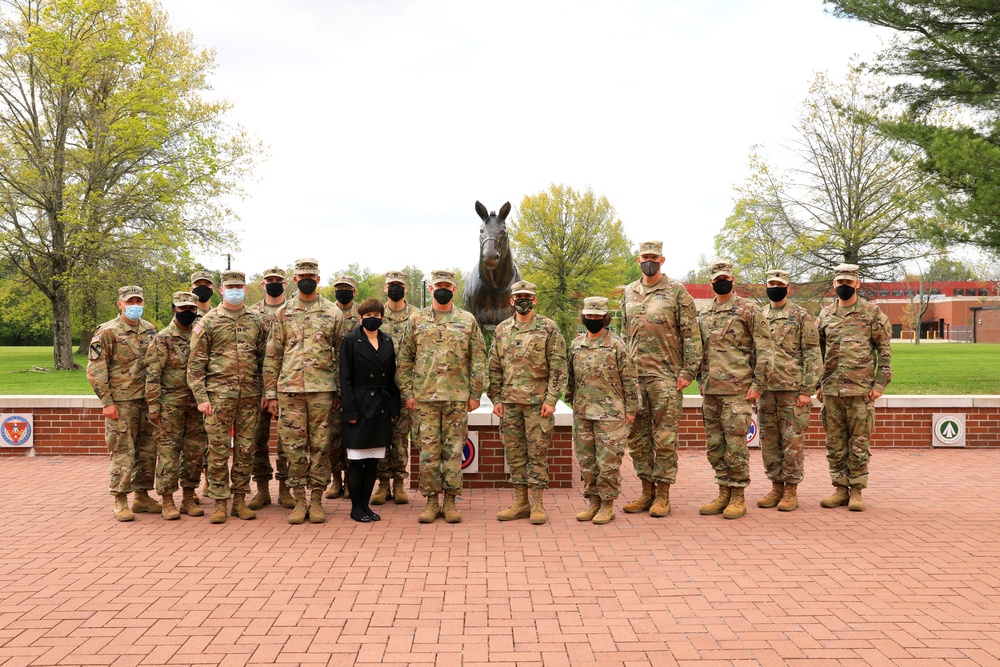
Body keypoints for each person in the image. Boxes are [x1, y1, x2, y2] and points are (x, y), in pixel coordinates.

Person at [397, 269, 487, 524]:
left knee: (453, 451)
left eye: (447, 285)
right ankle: (431, 501)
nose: (443, 289)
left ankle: (449, 501)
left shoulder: (467, 320)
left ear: (454, 289)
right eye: (438, 285)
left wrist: (475, 393)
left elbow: (478, 358)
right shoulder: (416, 320)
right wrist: (408, 393)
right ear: (431, 289)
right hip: (424, 398)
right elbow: (405, 359)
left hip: (456, 398)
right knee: (428, 452)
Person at [621, 240, 702, 518]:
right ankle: (646, 491)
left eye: (654, 257)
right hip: (634, 379)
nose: (649, 261)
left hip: (665, 377)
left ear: (662, 260)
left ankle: (663, 495)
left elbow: (691, 334)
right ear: (637, 259)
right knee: (637, 438)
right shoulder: (629, 292)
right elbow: (624, 333)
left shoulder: (677, 292)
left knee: (664, 438)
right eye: (645, 256)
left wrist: (687, 372)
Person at [263, 258, 346, 524]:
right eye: (302, 275)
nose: (307, 279)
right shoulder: (283, 312)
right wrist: (271, 394)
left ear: (319, 279)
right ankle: (299, 499)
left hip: (323, 391)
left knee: (321, 447)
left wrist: (340, 392)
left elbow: (342, 355)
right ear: (295, 279)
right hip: (289, 391)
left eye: (311, 275)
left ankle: (317, 501)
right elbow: (273, 355)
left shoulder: (333, 313)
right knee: (293, 447)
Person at [187, 270, 268, 524]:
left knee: (246, 450)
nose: (235, 290)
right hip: (218, 398)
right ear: (221, 290)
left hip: (249, 397)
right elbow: (195, 365)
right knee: (219, 451)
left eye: (239, 286)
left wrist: (266, 393)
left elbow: (265, 360)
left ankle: (240, 500)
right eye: (230, 286)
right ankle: (220, 502)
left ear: (245, 289)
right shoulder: (208, 321)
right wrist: (201, 397)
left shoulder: (257, 320)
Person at [696, 259, 773, 520]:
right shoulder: (704, 314)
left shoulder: (748, 309)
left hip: (738, 391)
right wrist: (699, 381)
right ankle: (723, 492)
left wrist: (758, 384)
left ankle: (738, 495)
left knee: (736, 445)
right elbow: (699, 352)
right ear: (711, 283)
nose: (721, 282)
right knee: (715, 446)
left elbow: (765, 349)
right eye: (716, 279)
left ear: (733, 280)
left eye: (725, 278)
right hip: (711, 391)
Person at [488, 280, 567, 524]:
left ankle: (538, 504)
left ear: (535, 300)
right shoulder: (502, 330)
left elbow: (559, 366)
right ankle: (521, 502)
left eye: (527, 297)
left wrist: (552, 399)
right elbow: (494, 367)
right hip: (510, 404)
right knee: (515, 454)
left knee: (538, 453)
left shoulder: (548, 328)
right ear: (511, 301)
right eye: (518, 297)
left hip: (538, 404)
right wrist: (496, 398)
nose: (523, 301)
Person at [816, 263, 892, 512]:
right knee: (835, 443)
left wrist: (880, 383)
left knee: (859, 443)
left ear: (857, 284)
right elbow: (818, 352)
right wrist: (817, 384)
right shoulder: (825, 315)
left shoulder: (872, 313)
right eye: (841, 283)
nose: (845, 286)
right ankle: (840, 488)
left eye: (849, 282)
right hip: (832, 390)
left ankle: (857, 490)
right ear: (834, 285)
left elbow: (884, 351)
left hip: (860, 390)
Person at [87, 285, 159, 521]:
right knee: (122, 451)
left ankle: (142, 496)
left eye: (138, 301)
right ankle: (120, 499)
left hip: (147, 401)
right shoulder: (107, 332)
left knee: (147, 451)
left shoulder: (150, 330)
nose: (135, 305)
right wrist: (107, 401)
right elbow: (96, 370)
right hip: (121, 401)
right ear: (120, 304)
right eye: (130, 302)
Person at [566, 297, 639, 525]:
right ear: (583, 317)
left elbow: (630, 379)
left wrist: (631, 409)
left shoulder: (617, 346)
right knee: (587, 461)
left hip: (611, 414)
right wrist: (571, 401)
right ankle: (593, 502)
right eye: (589, 316)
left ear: (605, 318)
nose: (593, 320)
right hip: (583, 412)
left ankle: (608, 505)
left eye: (598, 316)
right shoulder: (576, 345)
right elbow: (571, 378)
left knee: (607, 462)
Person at [756, 269, 822, 512]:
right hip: (766, 390)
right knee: (769, 441)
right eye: (771, 283)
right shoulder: (759, 314)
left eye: (779, 283)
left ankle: (791, 490)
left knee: (792, 441)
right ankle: (776, 487)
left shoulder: (800, 316)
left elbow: (813, 354)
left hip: (793, 391)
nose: (775, 287)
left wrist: (807, 389)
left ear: (788, 287)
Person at [145, 291, 206, 520]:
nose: (187, 313)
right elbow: (153, 374)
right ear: (173, 310)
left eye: (191, 309)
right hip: (171, 406)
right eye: (182, 309)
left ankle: (188, 498)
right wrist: (154, 406)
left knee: (194, 453)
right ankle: (168, 500)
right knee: (169, 454)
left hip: (196, 405)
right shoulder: (163, 338)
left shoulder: (200, 335)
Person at [340, 299, 402, 522]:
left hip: (381, 408)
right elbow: (344, 379)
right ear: (360, 317)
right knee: (357, 461)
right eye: (368, 314)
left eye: (376, 314)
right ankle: (356, 508)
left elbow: (392, 376)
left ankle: (366, 506)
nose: (372, 318)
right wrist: (350, 411)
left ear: (382, 317)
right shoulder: (350, 341)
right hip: (359, 406)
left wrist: (394, 407)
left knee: (373, 460)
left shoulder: (387, 341)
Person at [371, 270, 417, 506]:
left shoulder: (417, 316)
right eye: (391, 285)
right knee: (381, 436)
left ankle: (399, 483)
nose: (395, 288)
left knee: (400, 438)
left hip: (406, 387)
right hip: (380, 387)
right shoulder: (377, 316)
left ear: (405, 289)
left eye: (399, 285)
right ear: (385, 288)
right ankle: (382, 484)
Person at [248, 266, 291, 511]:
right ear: (262, 284)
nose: (273, 283)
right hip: (256, 388)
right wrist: (265, 390)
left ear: (286, 284)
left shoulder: (294, 311)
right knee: (257, 441)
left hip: (288, 386)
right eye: (269, 280)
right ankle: (262, 489)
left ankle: (286, 489)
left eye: (278, 280)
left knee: (287, 441)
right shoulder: (252, 313)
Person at [326, 274, 360, 499]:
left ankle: (351, 480)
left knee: (353, 434)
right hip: (329, 382)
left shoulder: (361, 316)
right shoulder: (327, 314)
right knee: (332, 436)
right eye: (339, 287)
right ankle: (336, 480)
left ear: (354, 291)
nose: (343, 291)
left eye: (347, 287)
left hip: (355, 385)